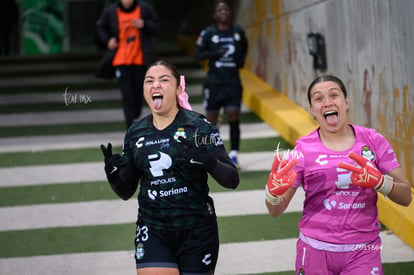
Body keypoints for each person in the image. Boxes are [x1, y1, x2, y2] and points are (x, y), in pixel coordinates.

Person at [100, 60, 239, 275]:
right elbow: (126, 192)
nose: (156, 85)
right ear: (144, 89)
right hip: (153, 230)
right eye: (149, 81)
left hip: (197, 230)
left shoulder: (198, 126)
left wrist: (208, 161)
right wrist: (113, 176)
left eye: (164, 80)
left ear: (178, 88)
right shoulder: (135, 132)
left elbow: (232, 179)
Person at [264, 75, 412, 275]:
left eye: (334, 95)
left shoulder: (374, 140)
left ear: (346, 101)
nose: (327, 102)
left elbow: (406, 197)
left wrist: (380, 182)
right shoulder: (302, 148)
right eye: (318, 99)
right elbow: (276, 210)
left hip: (364, 251)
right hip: (314, 248)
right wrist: (272, 194)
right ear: (312, 109)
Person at [195, 0, 248, 168]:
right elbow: (199, 53)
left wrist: (240, 61)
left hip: (232, 82)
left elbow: (244, 46)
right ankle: (214, 154)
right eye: (220, 10)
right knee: (211, 121)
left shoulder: (237, 31)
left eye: (226, 9)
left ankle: (233, 155)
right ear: (214, 15)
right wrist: (214, 53)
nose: (224, 12)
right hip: (214, 83)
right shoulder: (209, 32)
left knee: (233, 114)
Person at [96, 0, 160, 128]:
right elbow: (100, 27)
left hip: (140, 59)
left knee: (138, 92)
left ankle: (135, 115)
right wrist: (108, 40)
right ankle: (130, 127)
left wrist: (144, 24)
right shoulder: (111, 10)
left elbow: (157, 26)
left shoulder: (144, 8)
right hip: (120, 59)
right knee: (126, 94)